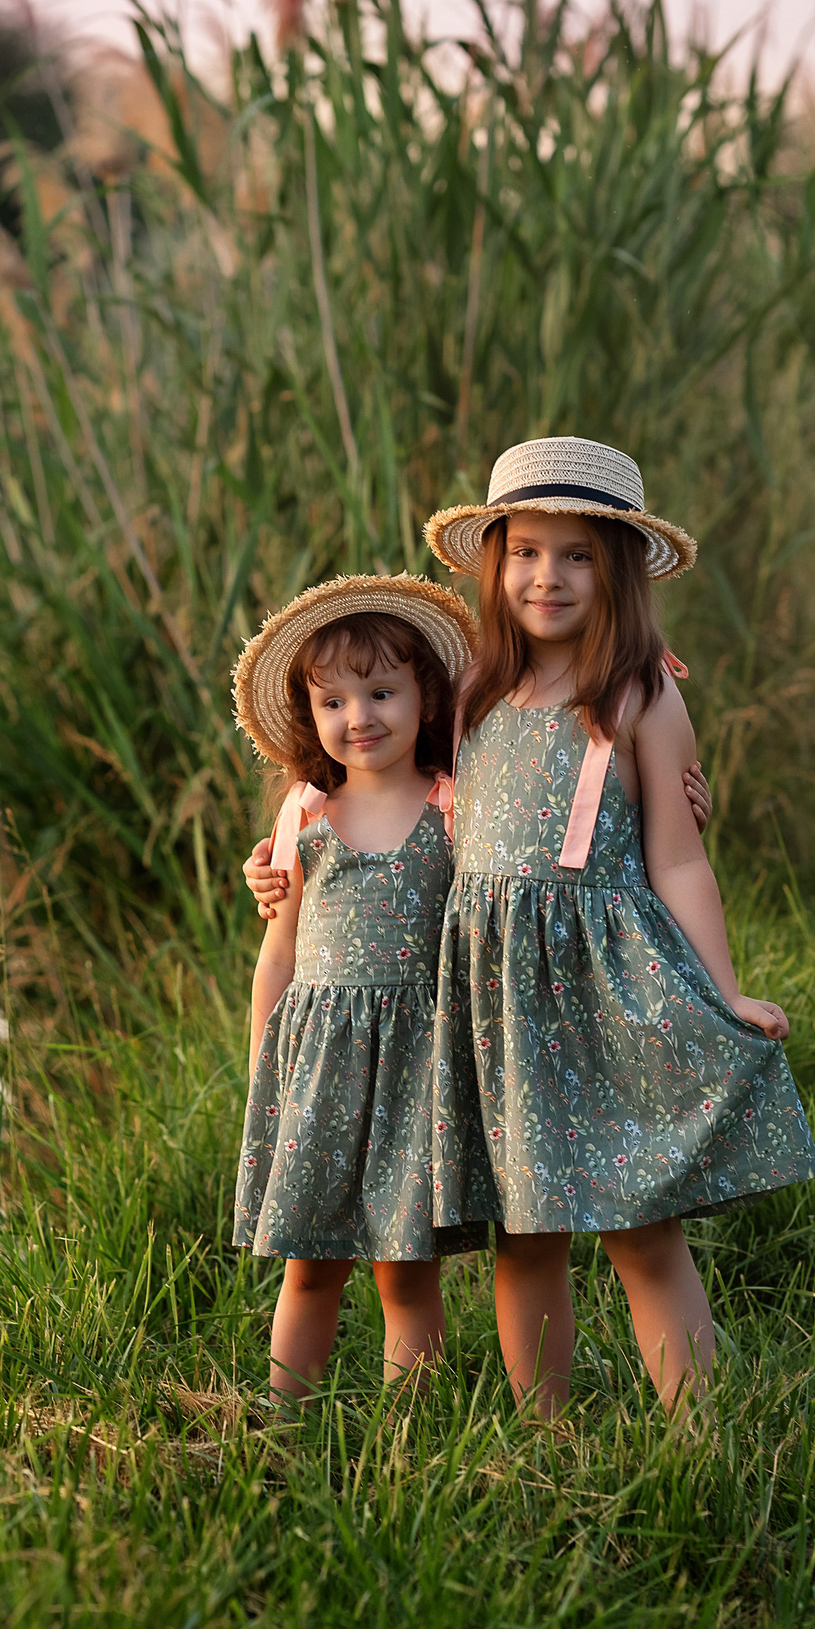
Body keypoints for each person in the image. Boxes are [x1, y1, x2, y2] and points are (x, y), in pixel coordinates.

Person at [246, 438, 815, 1418]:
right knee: (526, 1229)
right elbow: (378, 802)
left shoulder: (641, 692)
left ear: (618, 569)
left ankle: (700, 1436)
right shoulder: (467, 696)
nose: (545, 576)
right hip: (494, 1000)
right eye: (524, 552)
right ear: (492, 561)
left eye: (576, 555)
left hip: (597, 980)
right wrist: (279, 866)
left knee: (642, 1226)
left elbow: (678, 857)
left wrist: (721, 989)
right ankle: (543, 1439)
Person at [229, 575, 490, 1402]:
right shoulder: (305, 815)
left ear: (425, 694)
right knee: (310, 1269)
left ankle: (414, 1436)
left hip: (419, 1065)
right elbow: (280, 953)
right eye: (333, 700)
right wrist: (262, 1061)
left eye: (381, 691)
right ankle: (284, 1422)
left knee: (404, 1273)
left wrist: (678, 802)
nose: (360, 717)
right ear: (311, 715)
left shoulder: (455, 806)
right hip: (319, 1068)